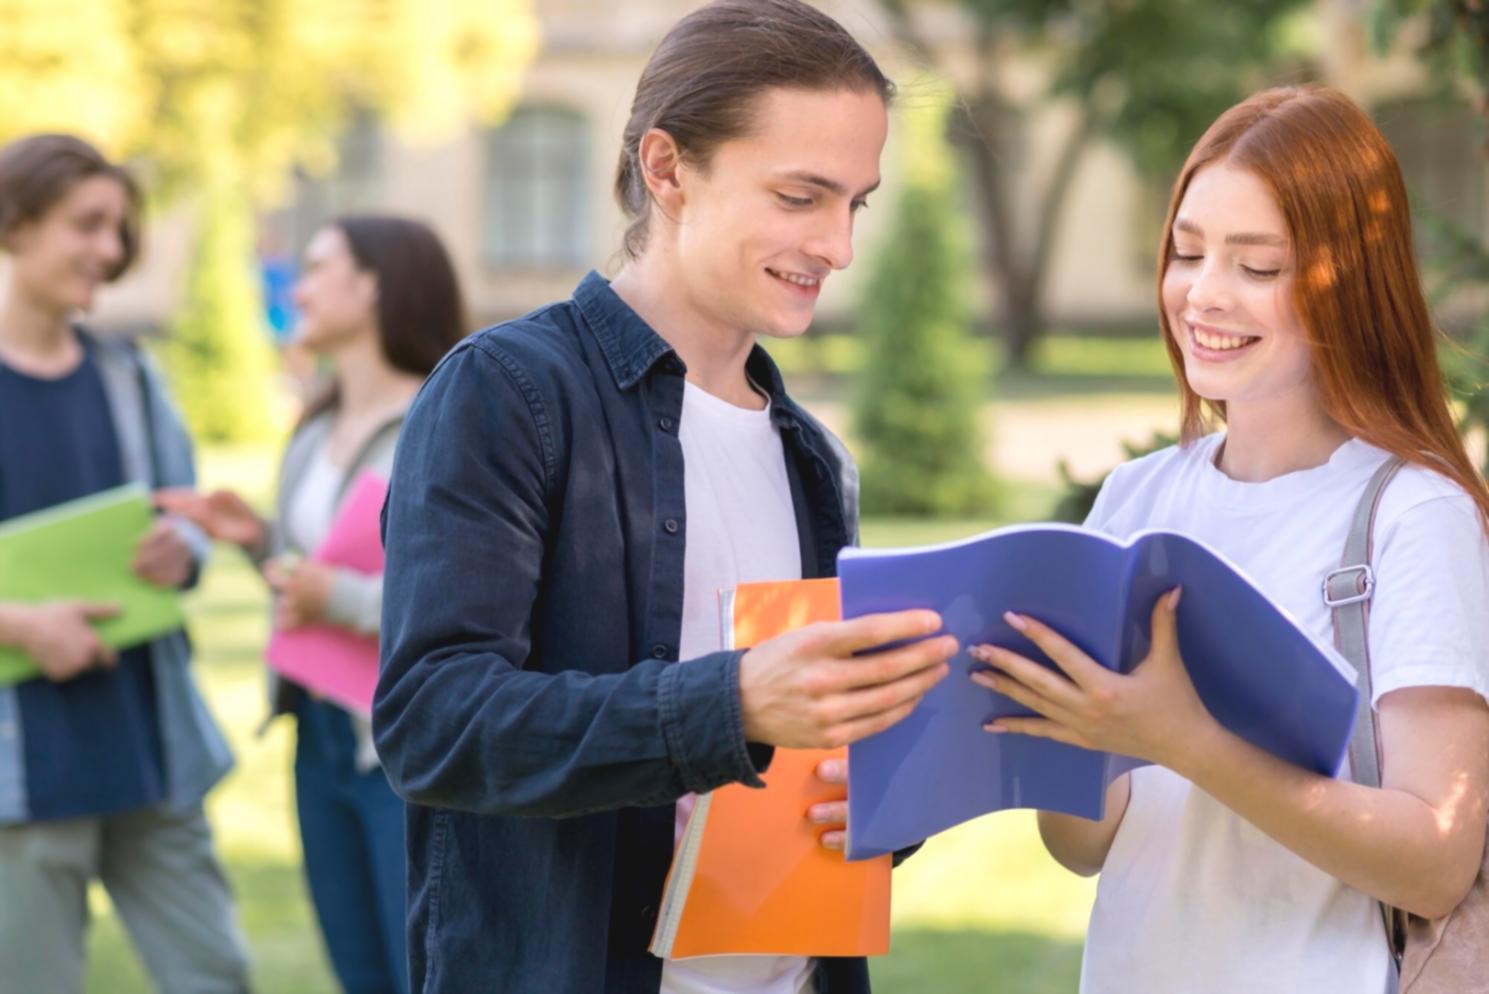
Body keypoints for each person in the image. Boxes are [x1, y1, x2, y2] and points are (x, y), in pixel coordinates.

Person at [372, 2, 958, 992]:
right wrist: (727, 702)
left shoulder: (809, 454)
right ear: (667, 168)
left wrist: (886, 795)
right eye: (799, 195)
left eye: (853, 203)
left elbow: (805, 758)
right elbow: (435, 721)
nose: (838, 245)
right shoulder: (508, 393)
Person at [968, 85, 1489, 994]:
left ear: (1349, 286)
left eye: (1257, 266)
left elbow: (1435, 862)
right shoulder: (1135, 499)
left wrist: (1183, 738)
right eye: (1186, 251)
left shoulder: (1413, 512)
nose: (1204, 294)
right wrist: (1060, 726)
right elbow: (1082, 848)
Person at [158, 215, 467, 994]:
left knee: (421, 972)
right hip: (318, 730)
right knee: (357, 968)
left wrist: (341, 599)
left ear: (375, 286)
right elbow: (314, 571)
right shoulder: (315, 423)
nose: (295, 286)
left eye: (318, 267)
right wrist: (257, 542)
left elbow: (465, 594)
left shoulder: (448, 420)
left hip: (401, 742)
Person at [0, 133, 250, 993]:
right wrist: (23, 626)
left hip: (147, 746)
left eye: (120, 230)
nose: (110, 251)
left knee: (216, 974)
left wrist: (177, 548)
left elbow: (184, 519)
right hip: (21, 768)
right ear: (16, 223)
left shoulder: (128, 377)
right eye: (88, 225)